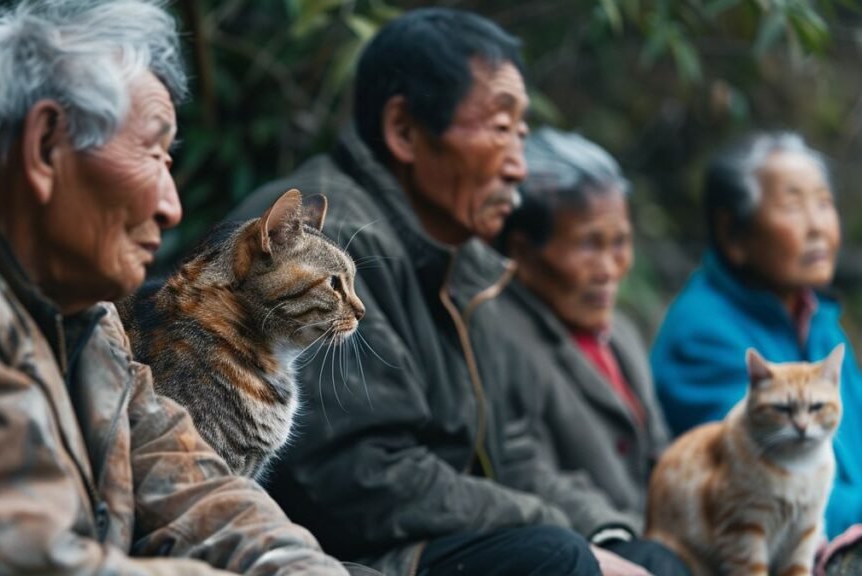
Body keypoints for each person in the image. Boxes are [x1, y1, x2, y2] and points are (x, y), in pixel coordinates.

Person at [0, 1, 353, 574]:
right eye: (153, 154)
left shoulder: (81, 313)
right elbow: (40, 564)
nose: (170, 205)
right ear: (45, 147)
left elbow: (190, 486)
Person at [227, 8, 644, 576]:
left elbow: (512, 453)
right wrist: (549, 525)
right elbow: (357, 478)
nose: (520, 166)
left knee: (647, 557)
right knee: (556, 559)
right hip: (336, 554)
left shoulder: (468, 261)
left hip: (442, 536)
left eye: (521, 133)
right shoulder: (331, 244)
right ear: (404, 132)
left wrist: (608, 533)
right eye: (500, 129)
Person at [650, 132, 862, 574]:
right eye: (793, 205)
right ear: (733, 233)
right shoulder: (703, 333)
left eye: (823, 203)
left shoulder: (819, 322)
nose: (818, 226)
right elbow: (772, 487)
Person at [491, 128, 688, 575]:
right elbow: (524, 471)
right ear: (523, 250)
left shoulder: (620, 332)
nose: (609, 268)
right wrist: (619, 535)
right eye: (588, 245)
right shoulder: (499, 333)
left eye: (619, 242)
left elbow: (660, 451)